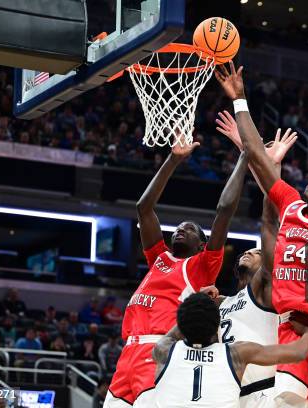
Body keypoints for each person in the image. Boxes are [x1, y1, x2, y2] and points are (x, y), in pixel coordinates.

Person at [217, 61, 308, 408]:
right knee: (287, 403)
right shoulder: (293, 207)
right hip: (289, 327)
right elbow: (259, 159)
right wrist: (240, 101)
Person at [105, 136, 248, 407]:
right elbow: (143, 208)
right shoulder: (159, 258)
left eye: (190, 228)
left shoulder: (201, 266)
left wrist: (243, 158)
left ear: (203, 245)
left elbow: (224, 210)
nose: (181, 229)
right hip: (127, 354)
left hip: (161, 349)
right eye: (178, 227)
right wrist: (173, 160)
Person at [209, 115, 296, 408]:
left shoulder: (266, 287)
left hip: (264, 391)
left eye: (258, 252)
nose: (250, 251)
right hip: (230, 394)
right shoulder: (227, 300)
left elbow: (271, 218)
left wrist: (272, 166)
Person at [150, 293, 308, 408]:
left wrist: (195, 305)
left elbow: (177, 330)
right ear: (217, 326)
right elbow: (298, 352)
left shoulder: (164, 350)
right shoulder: (236, 353)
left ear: (181, 322)